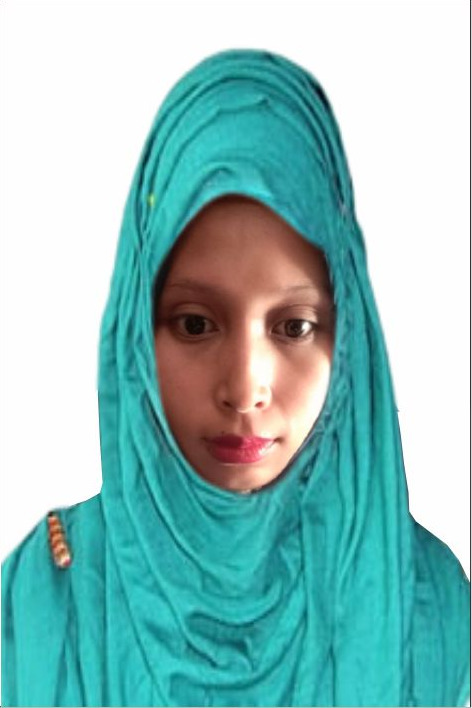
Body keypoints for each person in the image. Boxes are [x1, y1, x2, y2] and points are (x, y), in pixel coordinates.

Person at [2, 49, 469, 707]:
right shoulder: (44, 605)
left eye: (294, 327)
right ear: (137, 334)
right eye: (196, 324)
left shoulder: (432, 610)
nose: (246, 388)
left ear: (347, 338)